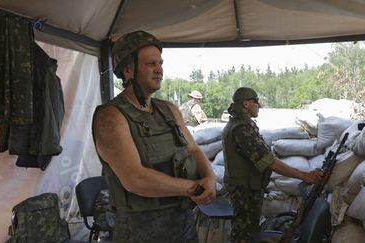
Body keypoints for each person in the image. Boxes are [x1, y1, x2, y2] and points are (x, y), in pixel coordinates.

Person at [92, 30, 216, 242]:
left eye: (160, 63)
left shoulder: (168, 109)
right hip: (141, 231)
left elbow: (193, 149)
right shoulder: (111, 117)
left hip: (183, 223)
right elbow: (135, 179)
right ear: (128, 70)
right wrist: (193, 188)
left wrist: (210, 179)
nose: (159, 70)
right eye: (151, 64)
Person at [222, 87, 323, 243]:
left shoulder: (242, 124)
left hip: (246, 187)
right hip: (244, 190)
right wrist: (305, 175)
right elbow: (270, 163)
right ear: (246, 104)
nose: (259, 105)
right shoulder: (242, 128)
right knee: (244, 234)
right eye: (256, 101)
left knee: (246, 230)